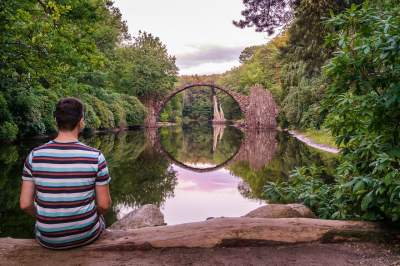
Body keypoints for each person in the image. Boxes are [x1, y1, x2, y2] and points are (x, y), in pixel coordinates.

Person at [19, 97, 112, 249]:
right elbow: (104, 205)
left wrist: (46, 217)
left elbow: (25, 205)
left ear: (55, 120)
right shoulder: (95, 157)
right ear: (81, 121)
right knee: (101, 221)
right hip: (85, 235)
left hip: (47, 238)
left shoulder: (34, 155)